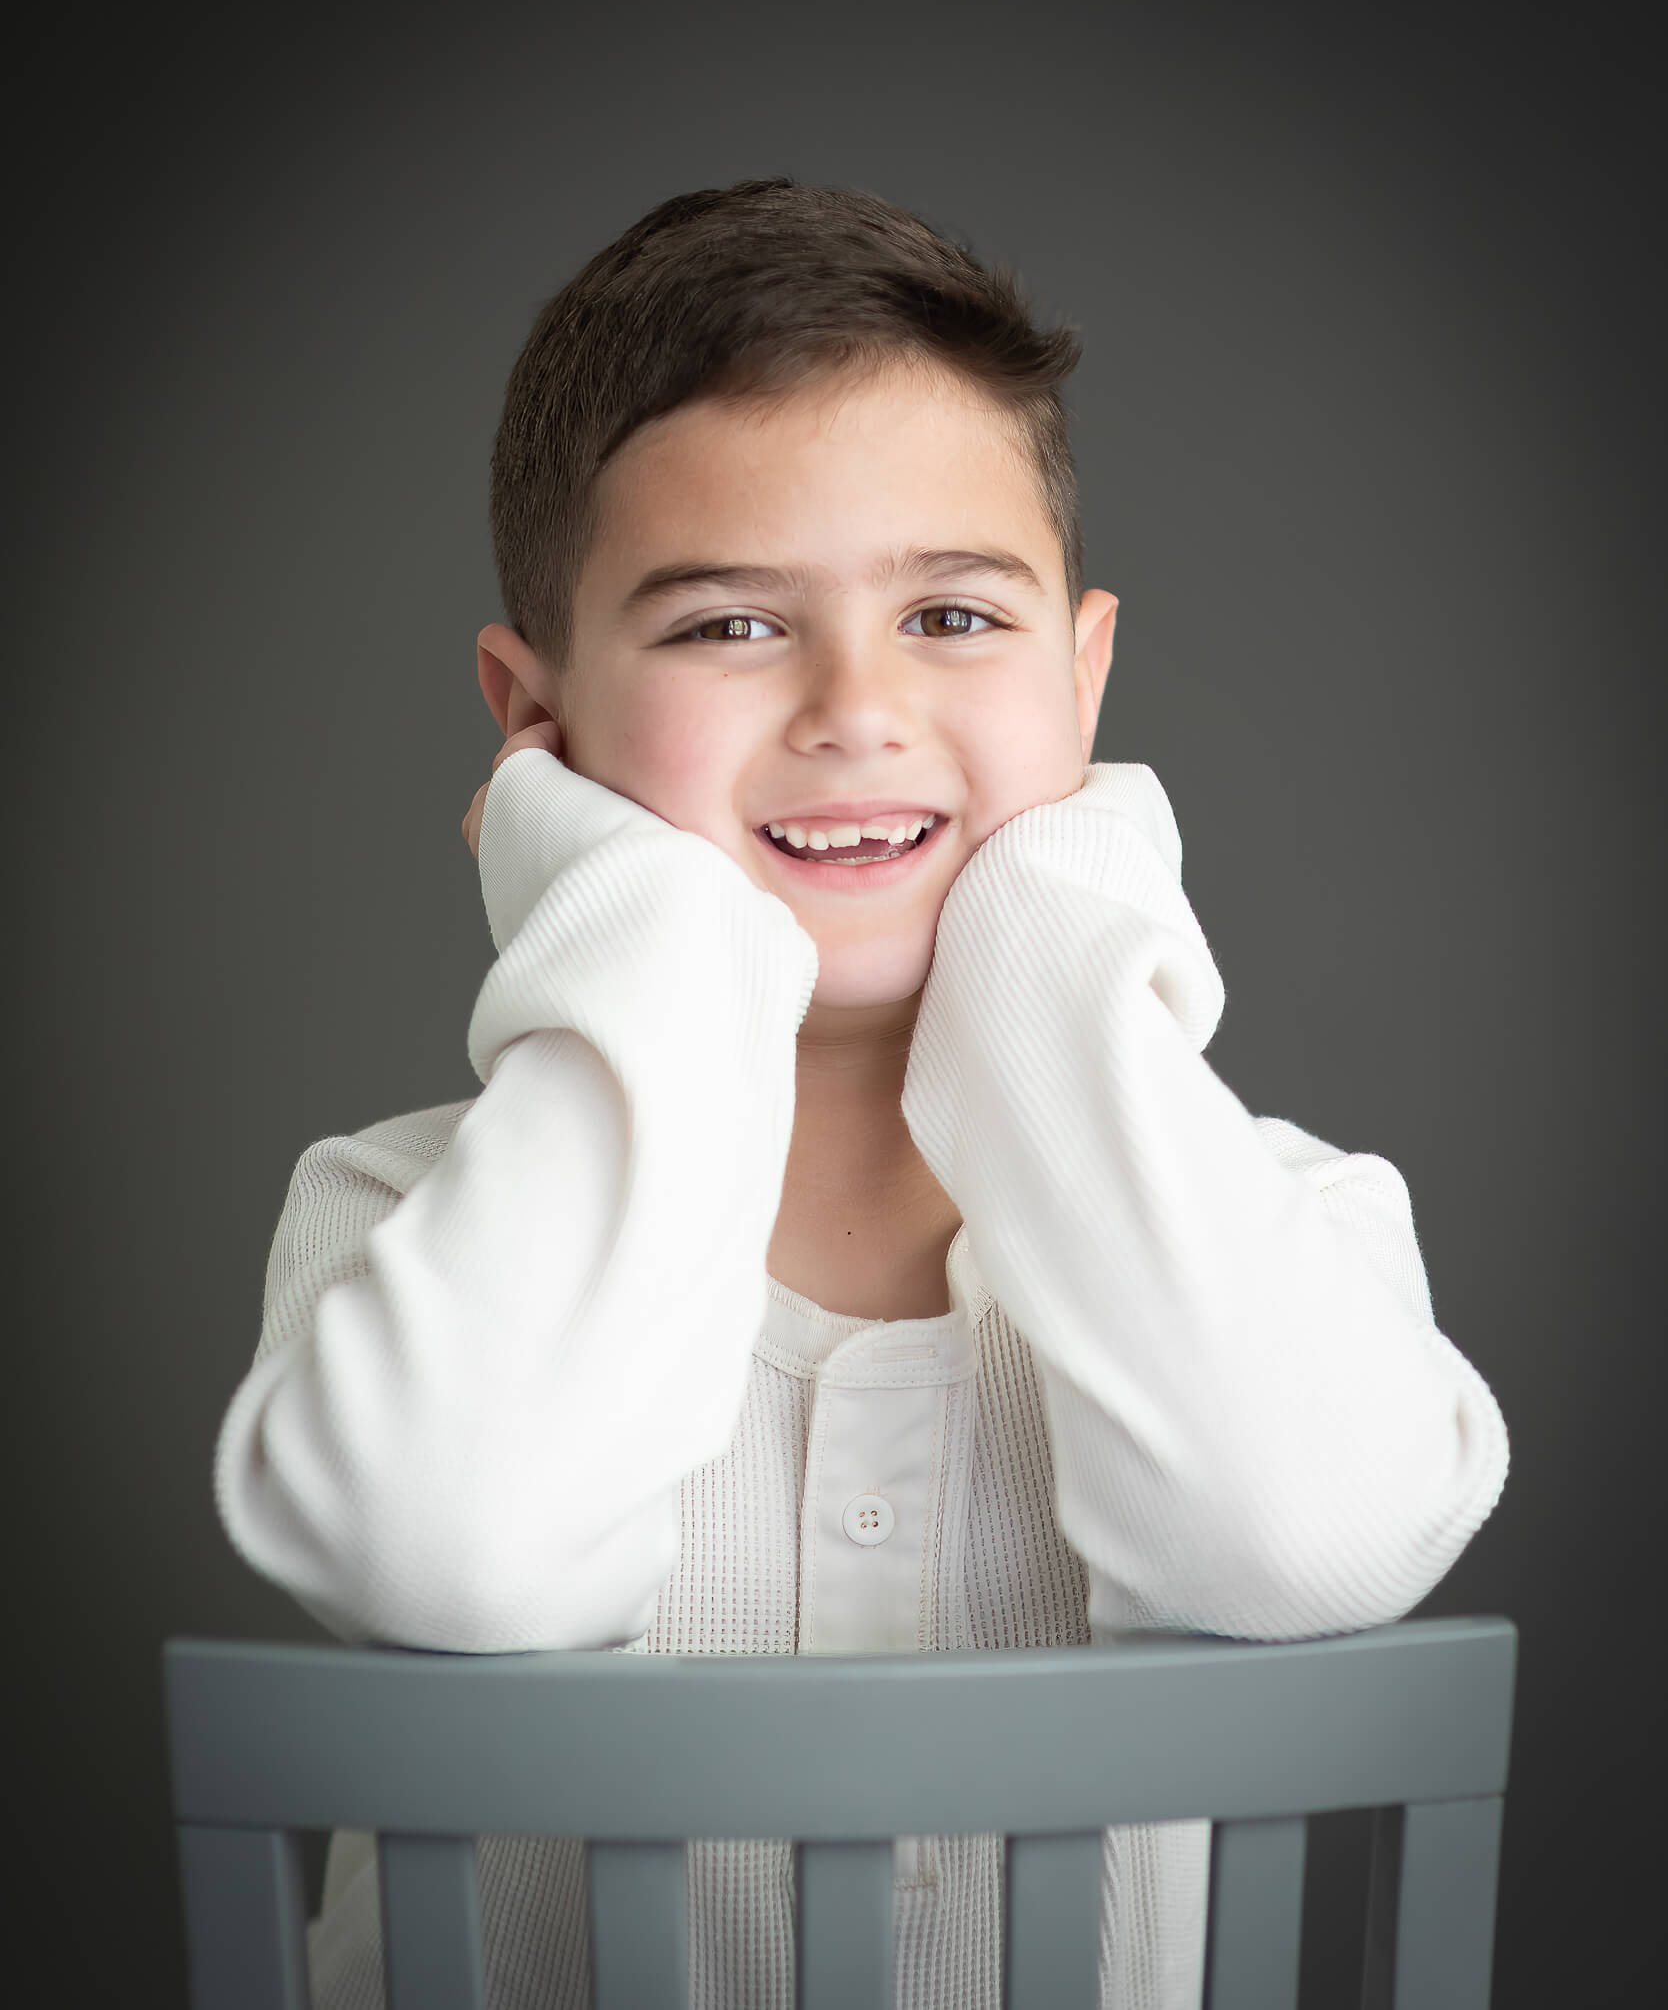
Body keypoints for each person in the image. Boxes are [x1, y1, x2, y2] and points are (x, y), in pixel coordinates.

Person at [213, 177, 1511, 2010]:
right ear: (535, 723)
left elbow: (1305, 1536)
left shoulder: (1287, 1222)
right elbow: (451, 1545)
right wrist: (644, 934)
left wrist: (1057, 940)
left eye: (957, 620)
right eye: (729, 627)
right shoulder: (397, 1222)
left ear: (1089, 677)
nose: (856, 707)